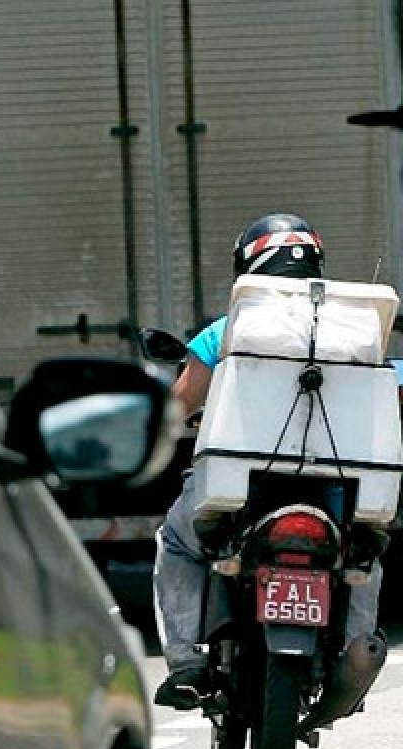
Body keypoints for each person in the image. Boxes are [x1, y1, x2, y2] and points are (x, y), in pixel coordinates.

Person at [153, 212, 386, 710]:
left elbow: (180, 403)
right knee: (363, 556)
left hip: (241, 488)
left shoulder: (226, 329)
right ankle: (354, 654)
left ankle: (187, 662)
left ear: (250, 265)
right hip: (335, 490)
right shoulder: (359, 330)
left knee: (176, 540)